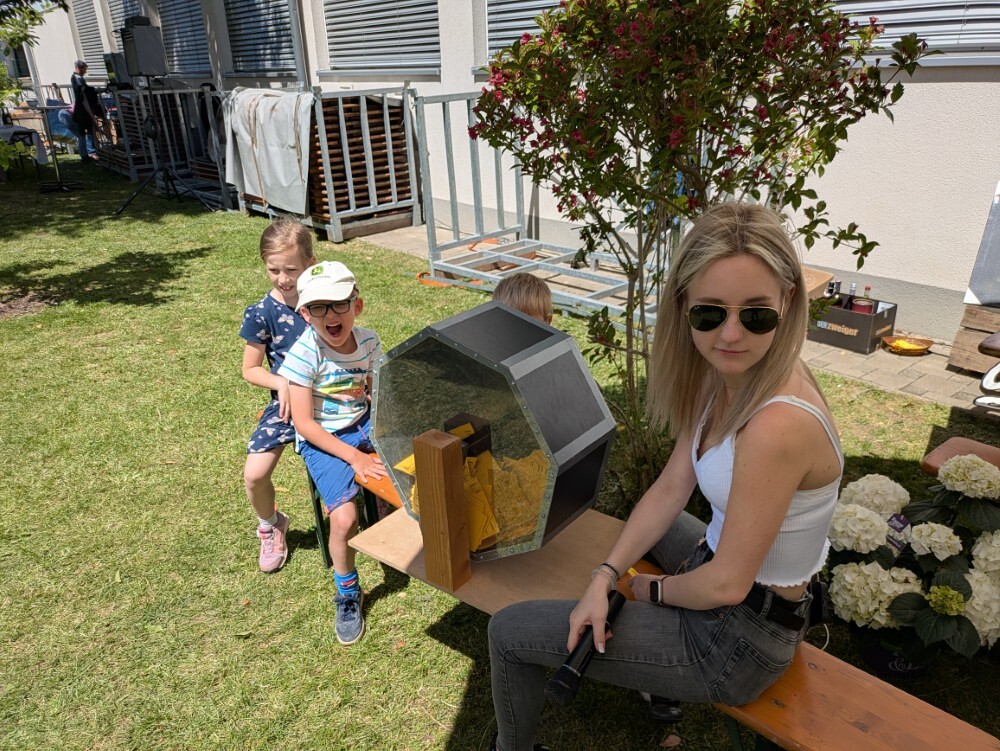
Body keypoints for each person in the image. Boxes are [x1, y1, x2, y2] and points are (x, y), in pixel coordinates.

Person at [487, 202, 843, 751]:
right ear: (683, 305)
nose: (730, 334)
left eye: (755, 314)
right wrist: (603, 576)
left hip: (738, 640)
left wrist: (647, 589)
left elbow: (726, 585)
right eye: (709, 313)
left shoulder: (776, 426)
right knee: (656, 526)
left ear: (787, 301)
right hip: (726, 576)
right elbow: (673, 486)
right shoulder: (726, 374)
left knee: (508, 633)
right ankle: (652, 674)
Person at [278, 260, 385, 645]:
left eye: (339, 303)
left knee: (416, 463)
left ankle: (400, 529)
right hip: (322, 437)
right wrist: (354, 457)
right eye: (318, 307)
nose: (330, 315)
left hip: (363, 422)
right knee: (344, 519)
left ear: (357, 305)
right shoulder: (305, 354)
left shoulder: (369, 341)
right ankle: (347, 592)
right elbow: (304, 424)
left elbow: (375, 390)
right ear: (305, 314)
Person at [240, 218, 316, 574]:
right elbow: (250, 369)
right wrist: (281, 383)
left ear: (310, 263)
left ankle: (374, 503)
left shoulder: (325, 299)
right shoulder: (261, 313)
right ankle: (271, 524)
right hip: (285, 404)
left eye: (291, 269)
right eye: (274, 270)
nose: (283, 278)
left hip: (332, 397)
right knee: (254, 475)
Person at [70, 61, 96, 161]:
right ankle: (89, 153)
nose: (85, 71)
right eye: (84, 69)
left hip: (82, 108)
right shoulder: (77, 78)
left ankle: (89, 152)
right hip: (82, 109)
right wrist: (94, 90)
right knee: (85, 132)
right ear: (79, 68)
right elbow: (83, 90)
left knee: (87, 131)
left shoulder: (77, 78)